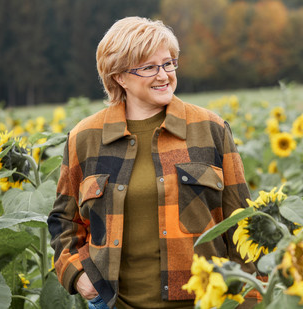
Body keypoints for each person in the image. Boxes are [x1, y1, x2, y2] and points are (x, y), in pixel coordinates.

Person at [47, 16, 257, 309]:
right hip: (115, 304)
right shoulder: (86, 137)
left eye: (169, 63)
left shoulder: (210, 129)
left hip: (205, 302)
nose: (164, 75)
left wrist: (248, 302)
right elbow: (63, 221)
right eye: (149, 67)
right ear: (119, 76)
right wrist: (76, 273)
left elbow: (242, 223)